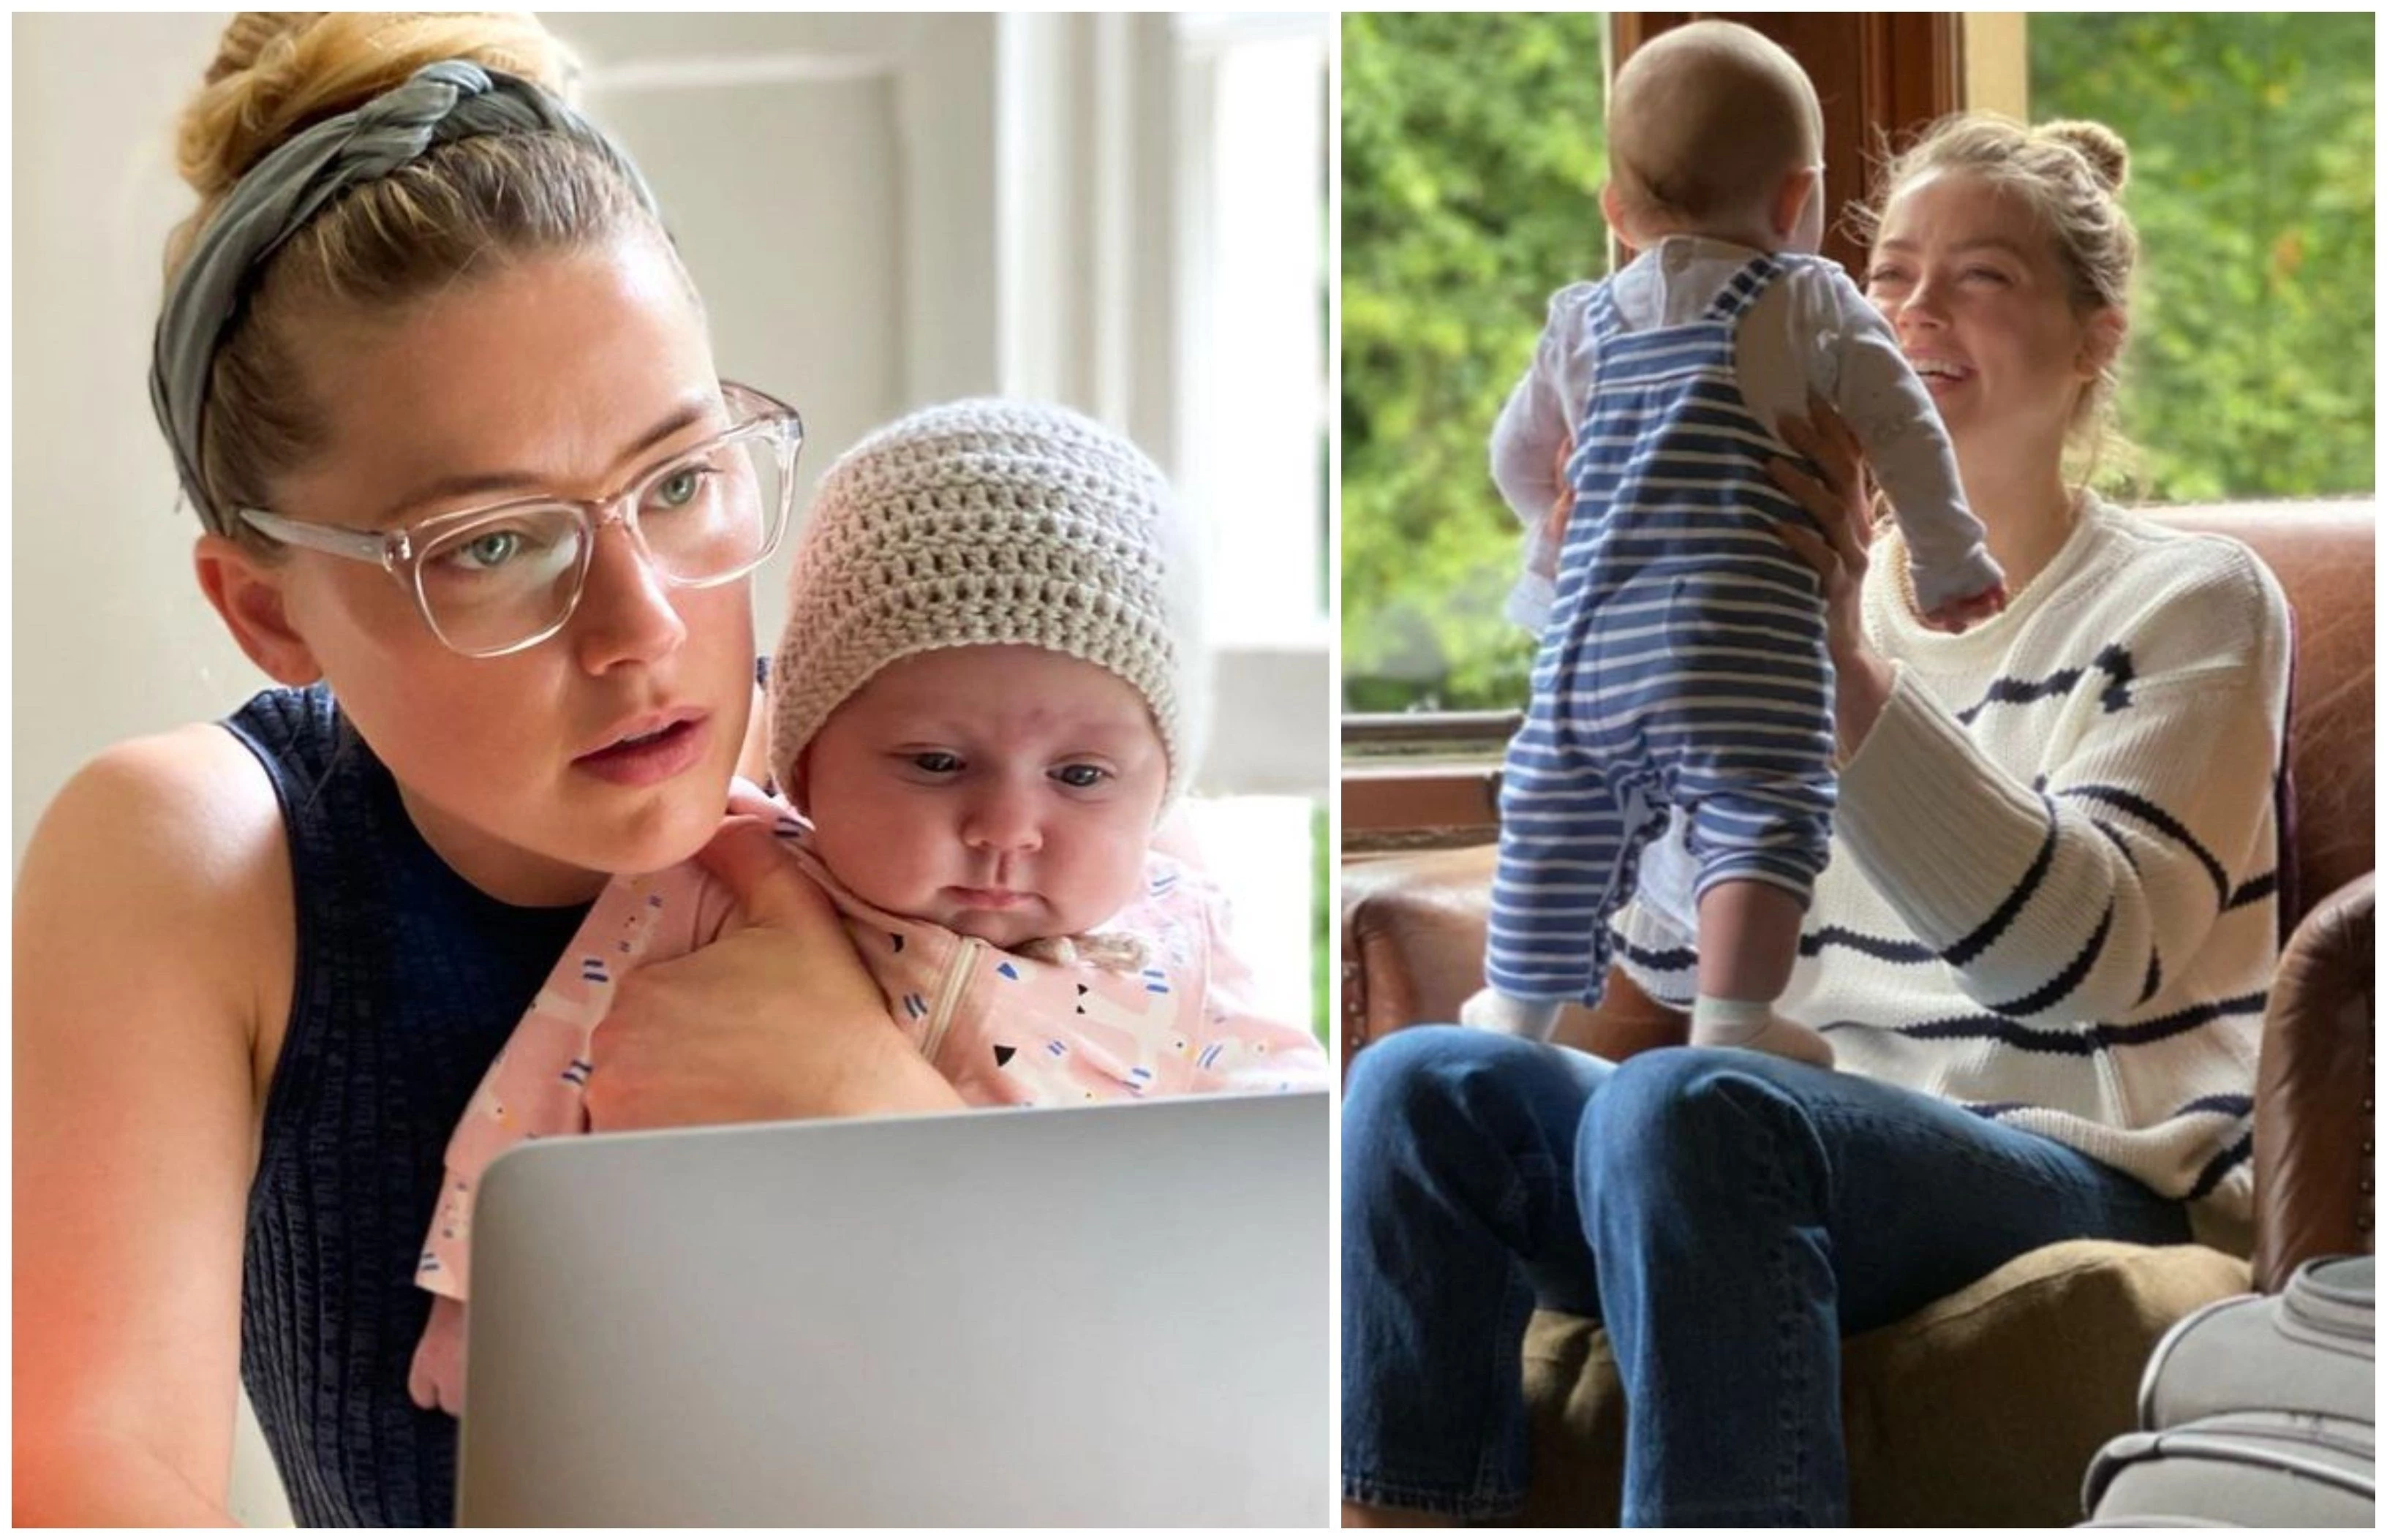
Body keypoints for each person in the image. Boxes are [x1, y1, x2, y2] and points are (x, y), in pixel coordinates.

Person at [13, 14, 968, 1527]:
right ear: (268, 612)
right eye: (494, 548)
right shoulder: (201, 858)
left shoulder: (945, 780)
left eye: (678, 480)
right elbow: (96, 1478)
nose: (641, 626)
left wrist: (883, 1111)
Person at [1343, 108, 2290, 1526]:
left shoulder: (2192, 603)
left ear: (2096, 339)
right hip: (1792, 1142)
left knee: (1692, 1103)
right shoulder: (1780, 584)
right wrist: (1633, 676)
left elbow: (2090, 966)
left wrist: (1841, 671)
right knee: (1423, 1092)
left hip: (2093, 1170)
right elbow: (1677, 966)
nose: (1914, 312)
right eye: (1891, 273)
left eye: (1982, 277)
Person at [406, 399, 1331, 1413]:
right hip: (749, 1387)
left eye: (1080, 774)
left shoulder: (1186, 939)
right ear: (809, 757)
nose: (1005, 825)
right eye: (936, 762)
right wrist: (471, 1289)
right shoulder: (718, 877)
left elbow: (1290, 1176)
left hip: (1050, 1398)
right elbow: (544, 1075)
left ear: (1160, 788)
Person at [1469, 21, 2008, 1063]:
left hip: (1593, 656)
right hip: (1740, 651)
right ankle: (1734, 1016)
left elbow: (1515, 456)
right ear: (1796, 200)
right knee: (1760, 809)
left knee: (1559, 795)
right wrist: (1948, 563)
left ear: (1615, 211)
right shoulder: (1810, 301)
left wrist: (1554, 539)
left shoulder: (1585, 323)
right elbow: (1905, 433)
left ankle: (1517, 1006)